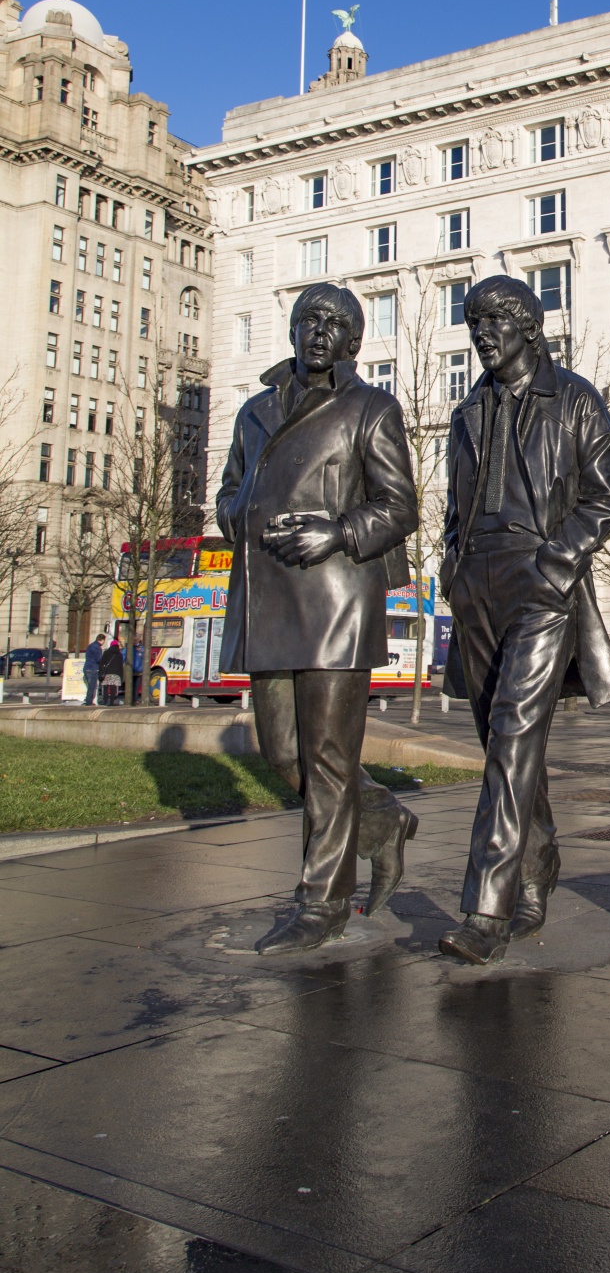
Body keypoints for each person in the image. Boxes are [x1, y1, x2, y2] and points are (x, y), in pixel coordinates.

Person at [217, 282, 421, 955]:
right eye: (309, 319)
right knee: (284, 754)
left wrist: (335, 532)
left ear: (354, 341)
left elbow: (399, 508)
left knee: (329, 759)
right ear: (294, 329)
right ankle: (383, 821)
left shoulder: (370, 408)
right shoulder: (253, 412)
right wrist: (237, 517)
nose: (319, 331)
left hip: (335, 597)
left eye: (335, 323)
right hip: (269, 595)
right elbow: (229, 490)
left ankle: (321, 904)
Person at [438, 275, 610, 965]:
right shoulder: (468, 410)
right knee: (503, 742)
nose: (482, 333)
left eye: (493, 320)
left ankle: (486, 907)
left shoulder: (573, 398)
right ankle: (539, 859)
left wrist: (559, 558)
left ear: (529, 326)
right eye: (473, 322)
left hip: (541, 580)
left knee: (516, 731)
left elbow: (609, 494)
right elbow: (455, 507)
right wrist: (452, 567)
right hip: (477, 583)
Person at [98, 634, 125, 706]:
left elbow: (102, 663)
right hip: (116, 673)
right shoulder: (119, 654)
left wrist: (100, 672)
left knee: (106, 687)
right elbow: (120, 666)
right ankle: (112, 702)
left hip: (107, 673)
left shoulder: (106, 652)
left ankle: (105, 700)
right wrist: (121, 676)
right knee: (113, 688)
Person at [82, 633, 106, 707]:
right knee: (92, 687)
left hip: (86, 667)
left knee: (89, 686)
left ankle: (88, 700)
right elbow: (98, 659)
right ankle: (89, 702)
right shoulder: (97, 647)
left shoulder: (90, 646)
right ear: (102, 640)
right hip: (93, 668)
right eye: (104, 641)